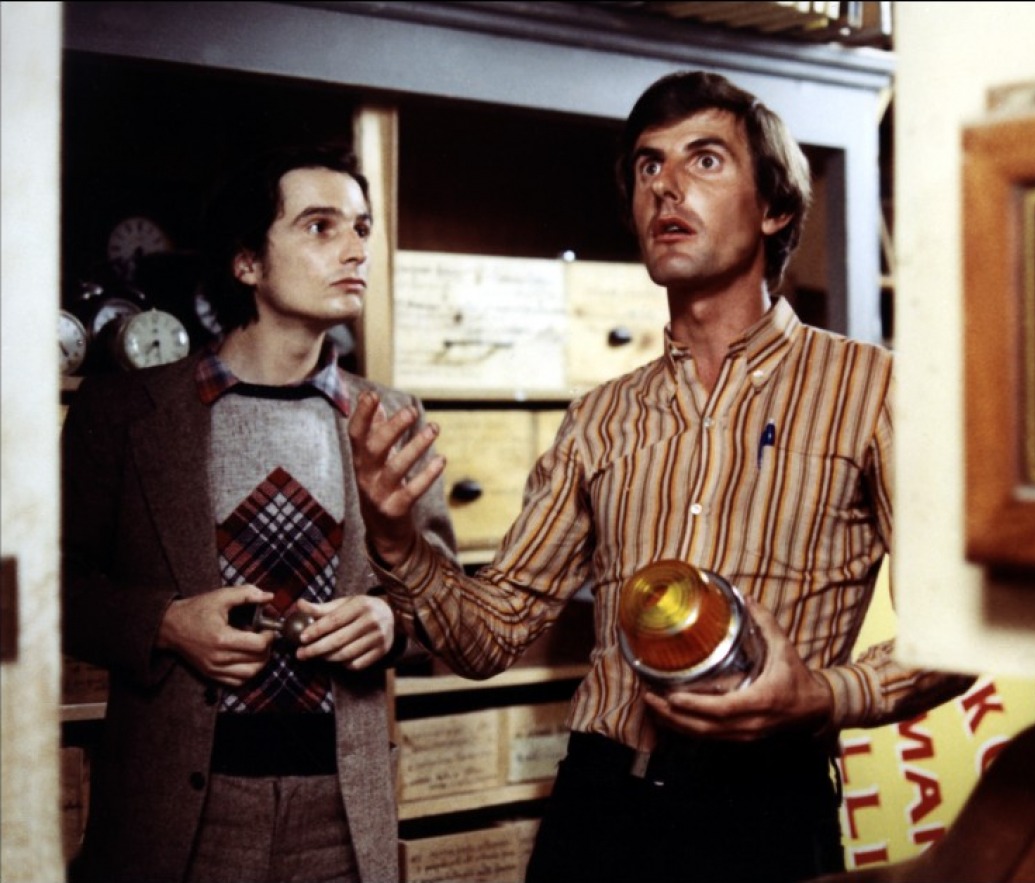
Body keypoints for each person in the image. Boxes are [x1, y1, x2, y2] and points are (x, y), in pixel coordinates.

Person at [349, 71, 973, 883]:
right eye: (649, 165)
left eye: (704, 160)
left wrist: (823, 694)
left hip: (767, 815)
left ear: (775, 207)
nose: (666, 186)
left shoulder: (876, 389)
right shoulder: (600, 418)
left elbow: (955, 632)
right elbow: (490, 633)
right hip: (599, 808)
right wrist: (400, 542)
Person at [61, 144, 456, 883]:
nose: (355, 249)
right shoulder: (124, 414)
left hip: (342, 816)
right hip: (176, 816)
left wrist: (391, 621)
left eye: (362, 228)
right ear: (247, 263)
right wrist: (163, 623)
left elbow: (445, 599)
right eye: (319, 226)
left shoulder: (392, 416)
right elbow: (49, 590)